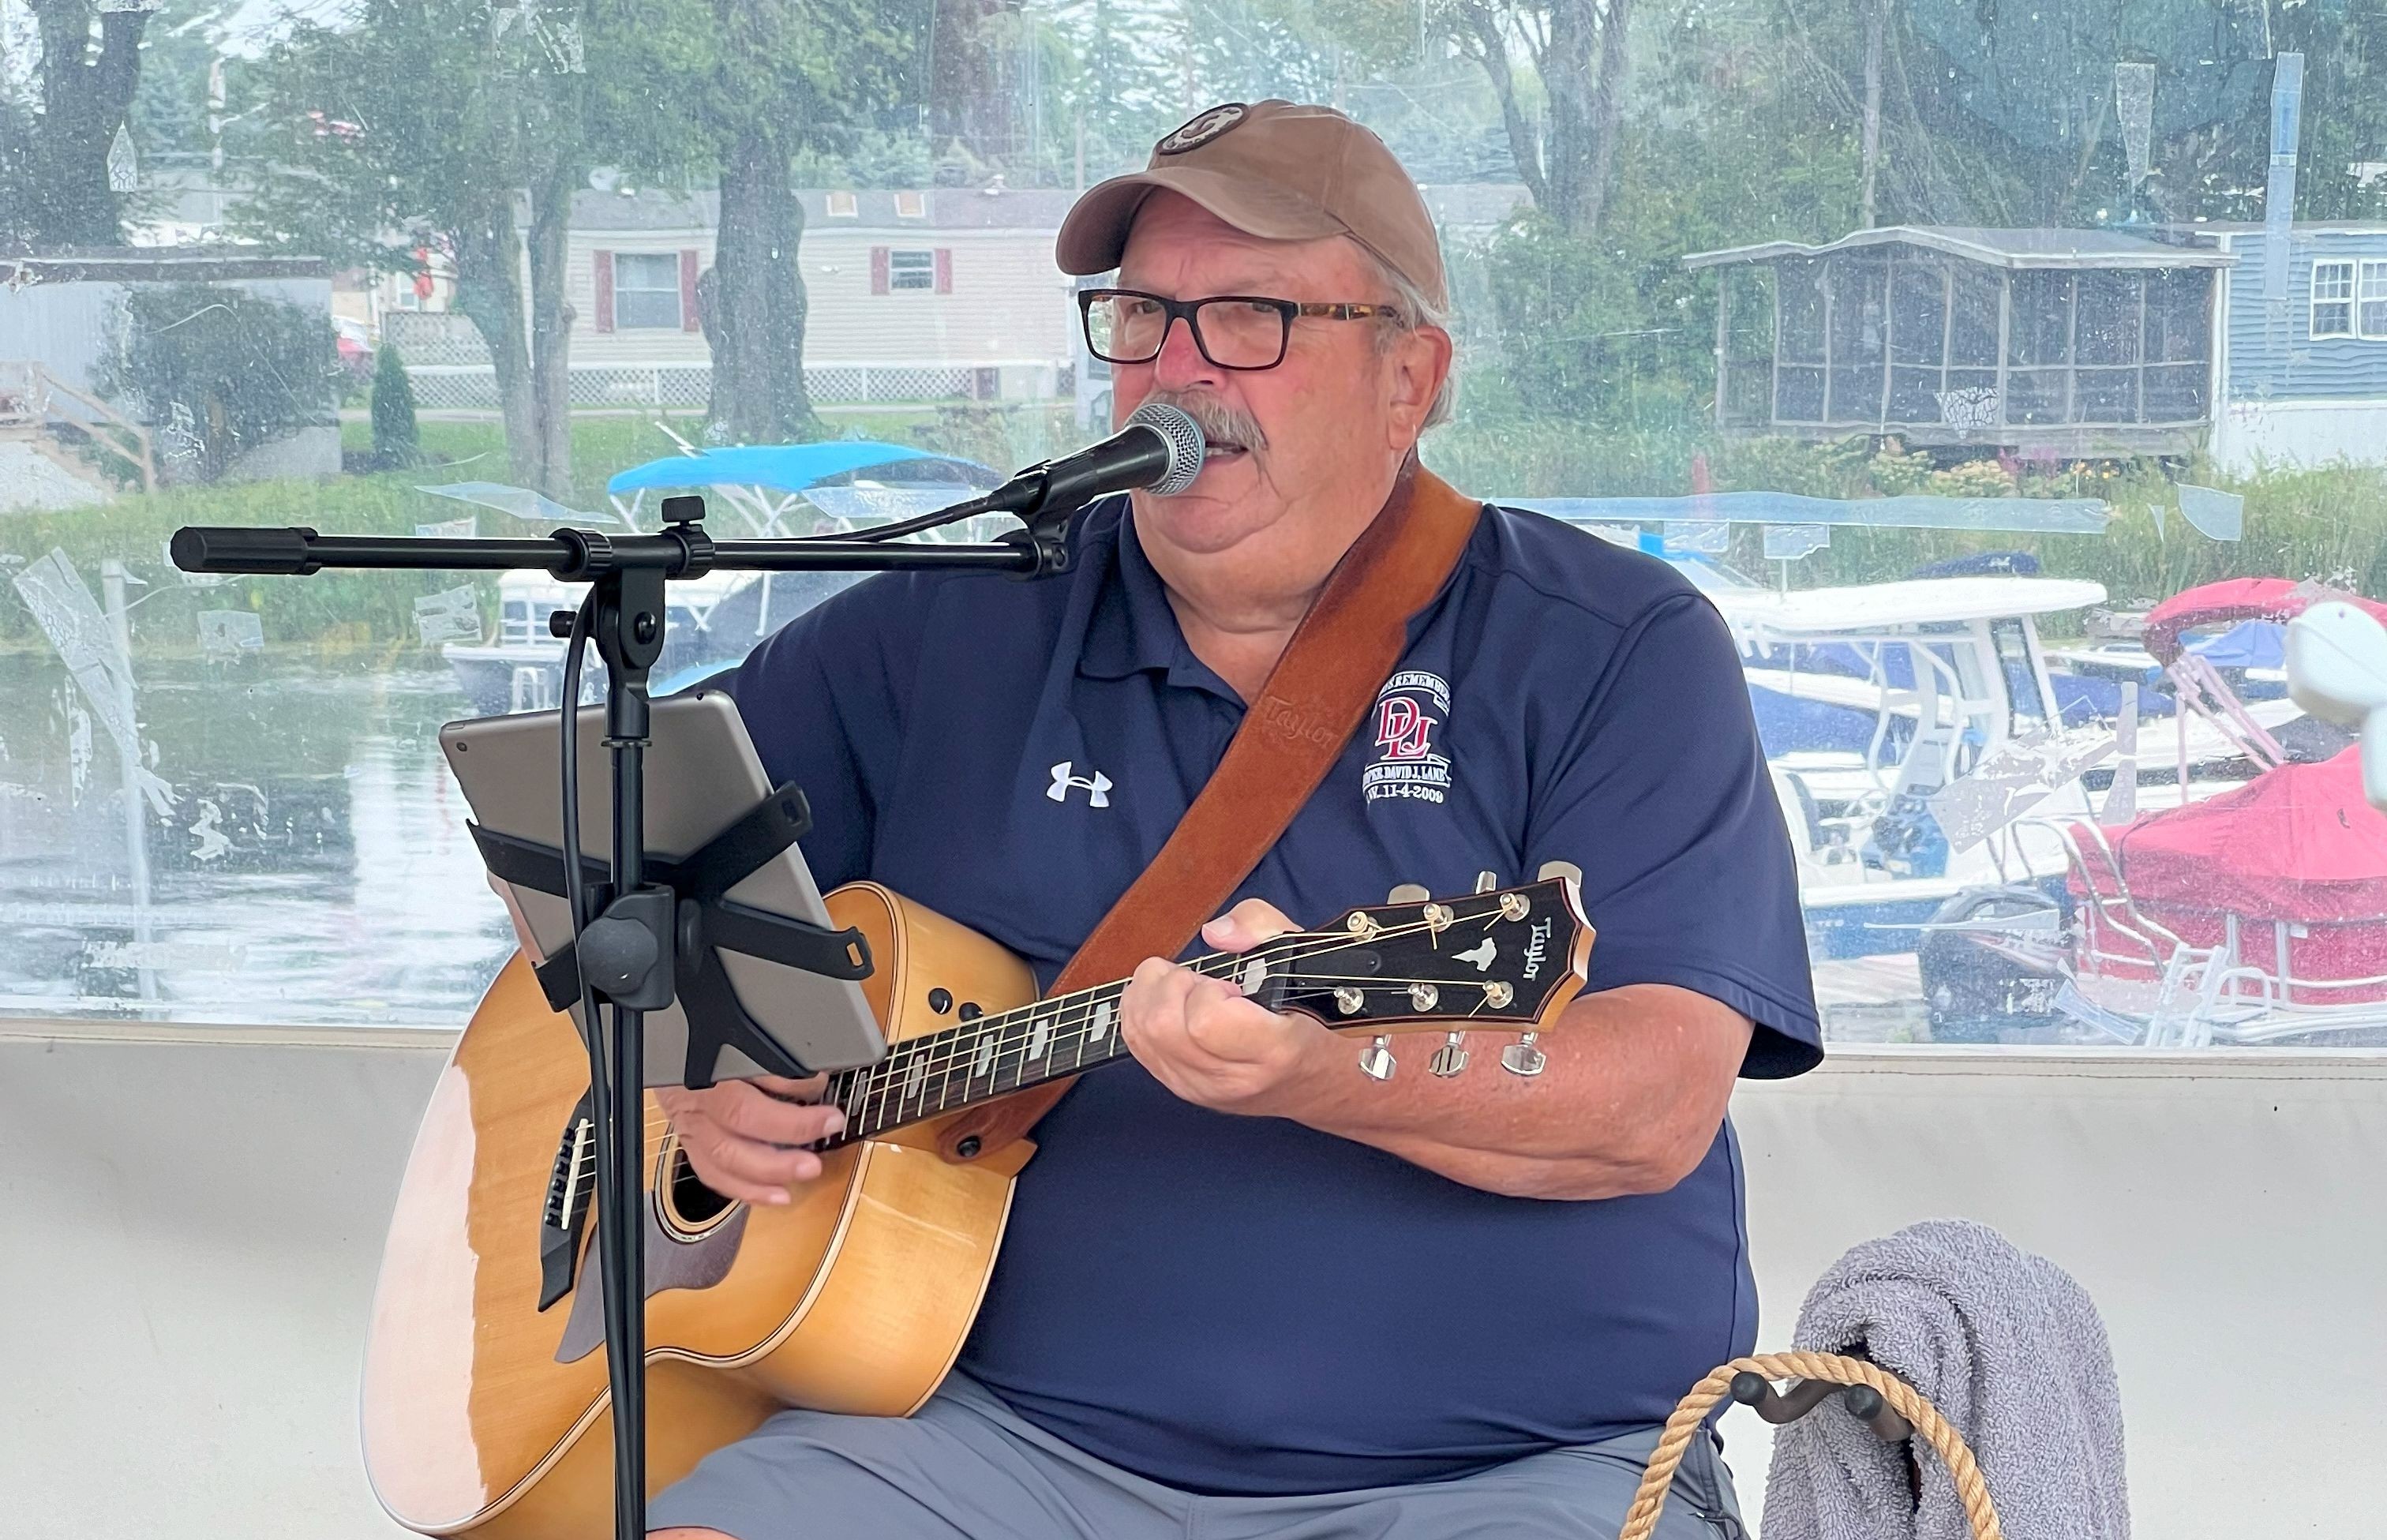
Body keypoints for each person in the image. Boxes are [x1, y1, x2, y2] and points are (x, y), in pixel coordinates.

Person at [651, 99, 1819, 1540]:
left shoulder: (1615, 648)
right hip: (995, 1443)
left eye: (1253, 317)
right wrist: (683, 1075)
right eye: (1145, 316)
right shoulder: (951, 629)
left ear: (1412, 379)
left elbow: (1654, 1106)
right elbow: (620, 846)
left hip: (1510, 1473)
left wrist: (1327, 1077)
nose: (1179, 373)